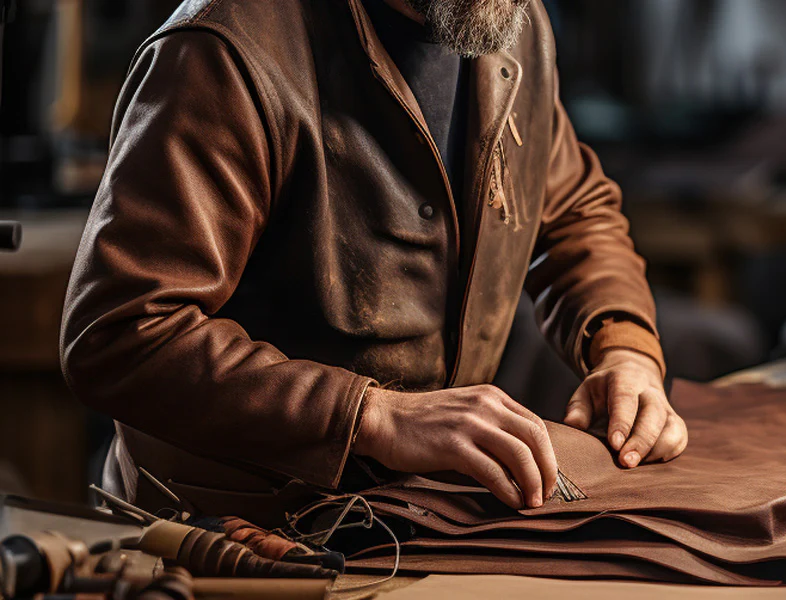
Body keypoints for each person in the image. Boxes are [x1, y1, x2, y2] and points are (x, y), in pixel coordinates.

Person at [59, 0, 687, 519]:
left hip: (415, 517)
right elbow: (121, 334)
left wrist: (624, 348)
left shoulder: (510, 26)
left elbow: (575, 211)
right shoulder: (225, 50)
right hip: (234, 532)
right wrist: (373, 416)